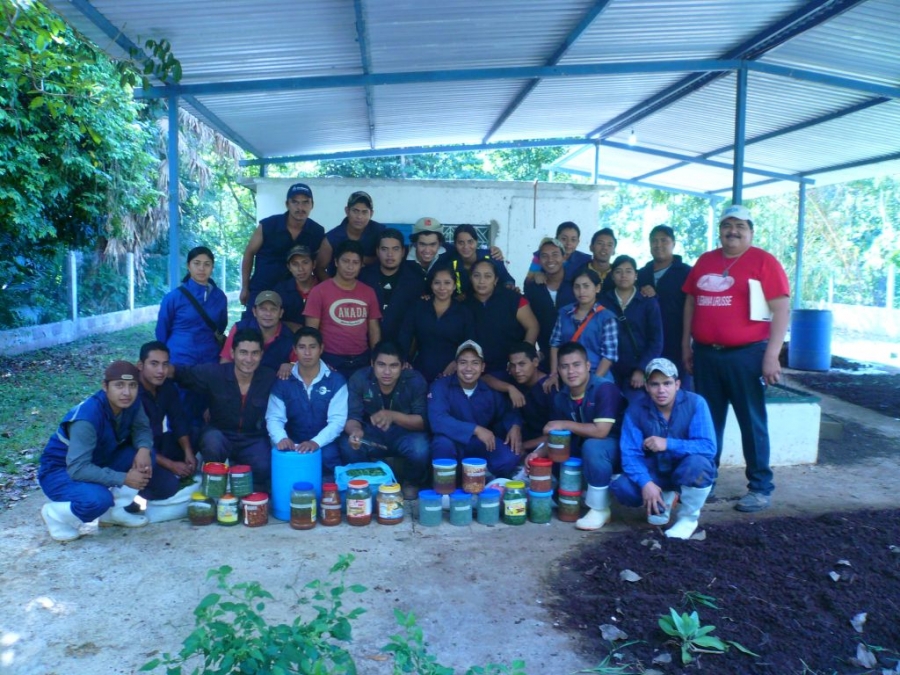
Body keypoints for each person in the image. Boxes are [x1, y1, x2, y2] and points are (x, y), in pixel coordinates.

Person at [682, 204, 790, 513]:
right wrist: (686, 346)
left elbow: (781, 309)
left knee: (751, 421)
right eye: (728, 225)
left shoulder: (763, 262)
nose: (733, 231)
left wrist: (772, 355)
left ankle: (759, 487)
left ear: (751, 232)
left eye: (740, 226)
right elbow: (691, 303)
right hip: (706, 355)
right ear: (720, 229)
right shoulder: (705, 261)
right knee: (707, 423)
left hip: (747, 355)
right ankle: (706, 481)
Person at [38, 361, 159, 541]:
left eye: (132, 385)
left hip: (97, 459)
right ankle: (54, 514)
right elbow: (78, 469)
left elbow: (142, 428)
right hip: (60, 471)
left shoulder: (132, 403)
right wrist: (124, 478)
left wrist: (143, 449)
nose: (126, 392)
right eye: (119, 385)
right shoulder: (87, 417)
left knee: (147, 457)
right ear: (105, 386)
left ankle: (114, 513)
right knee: (98, 500)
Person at [610, 358, 717, 539]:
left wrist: (668, 443)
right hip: (656, 472)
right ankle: (664, 498)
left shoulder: (696, 403)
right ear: (646, 386)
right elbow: (630, 454)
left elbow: (708, 447)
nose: (661, 390)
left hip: (684, 471)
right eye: (655, 384)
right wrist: (646, 483)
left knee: (698, 464)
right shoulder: (636, 410)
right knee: (622, 487)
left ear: (677, 384)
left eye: (667, 383)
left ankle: (688, 519)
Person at [172, 328, 277, 492]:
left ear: (261, 354)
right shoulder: (215, 373)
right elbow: (182, 373)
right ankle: (215, 481)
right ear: (232, 353)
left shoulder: (270, 377)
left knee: (264, 466)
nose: (249, 359)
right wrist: (155, 369)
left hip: (252, 437)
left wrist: (288, 366)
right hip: (220, 433)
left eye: (254, 353)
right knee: (212, 442)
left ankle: (241, 484)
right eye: (243, 352)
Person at [543, 342, 624, 531]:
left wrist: (564, 423)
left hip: (616, 450)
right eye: (564, 366)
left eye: (576, 365)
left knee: (592, 446)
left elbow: (601, 431)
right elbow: (558, 434)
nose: (571, 371)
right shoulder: (561, 397)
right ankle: (582, 491)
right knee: (557, 448)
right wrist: (537, 453)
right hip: (586, 449)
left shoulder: (604, 388)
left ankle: (600, 508)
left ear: (588, 366)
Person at [339, 341, 430, 499]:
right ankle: (370, 482)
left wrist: (392, 415)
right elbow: (352, 417)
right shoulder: (360, 379)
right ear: (372, 363)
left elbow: (423, 422)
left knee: (421, 447)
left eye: (394, 366)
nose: (387, 371)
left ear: (403, 366)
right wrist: (355, 431)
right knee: (347, 445)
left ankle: (410, 481)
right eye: (381, 365)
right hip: (371, 433)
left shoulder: (415, 380)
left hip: (404, 434)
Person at [428, 340, 524, 479]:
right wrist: (475, 429)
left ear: (483, 367)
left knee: (509, 457)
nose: (468, 368)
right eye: (463, 362)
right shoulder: (440, 386)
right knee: (442, 445)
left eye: (475, 363)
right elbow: (437, 419)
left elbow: (507, 412)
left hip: (479, 444)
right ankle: (447, 488)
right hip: (451, 441)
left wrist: (515, 426)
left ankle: (477, 478)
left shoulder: (489, 389)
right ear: (456, 365)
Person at [266, 327, 348, 475]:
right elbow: (274, 417)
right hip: (292, 441)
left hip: (324, 442)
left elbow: (337, 421)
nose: (307, 353)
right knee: (282, 463)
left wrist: (316, 442)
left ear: (321, 348)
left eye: (313, 347)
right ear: (294, 350)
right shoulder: (283, 381)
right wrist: (282, 438)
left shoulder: (336, 381)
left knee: (329, 461)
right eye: (302, 347)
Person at [303, 239, 382, 380]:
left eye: (355, 262)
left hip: (362, 360)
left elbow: (373, 328)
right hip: (329, 360)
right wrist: (318, 361)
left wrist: (376, 358)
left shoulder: (369, 292)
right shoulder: (319, 291)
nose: (350, 267)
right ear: (336, 262)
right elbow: (311, 331)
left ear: (361, 265)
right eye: (345, 261)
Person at [240, 182, 325, 312]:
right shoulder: (268, 225)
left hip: (294, 294)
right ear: (287, 204)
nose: (300, 207)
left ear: (312, 205)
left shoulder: (317, 231)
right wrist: (245, 287)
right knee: (253, 329)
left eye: (305, 202)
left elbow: (319, 264)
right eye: (295, 202)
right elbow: (249, 252)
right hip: (263, 287)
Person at [600, 255, 664, 404]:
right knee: (608, 410)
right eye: (618, 271)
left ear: (636, 275)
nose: (623, 275)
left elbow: (656, 341)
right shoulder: (603, 301)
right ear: (612, 276)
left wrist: (642, 370)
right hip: (608, 370)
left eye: (628, 271)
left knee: (635, 409)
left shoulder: (648, 302)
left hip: (637, 371)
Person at [136, 341, 195, 498]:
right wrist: (171, 465)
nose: (161, 371)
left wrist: (188, 452)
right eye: (154, 364)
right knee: (168, 486)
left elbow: (178, 420)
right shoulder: (132, 393)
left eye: (165, 364)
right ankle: (131, 496)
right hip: (136, 453)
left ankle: (172, 469)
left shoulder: (166, 386)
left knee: (197, 435)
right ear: (140, 365)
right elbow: (134, 442)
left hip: (157, 443)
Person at [638, 225, 693, 390]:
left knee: (678, 392)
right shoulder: (640, 274)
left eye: (664, 240)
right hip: (647, 345)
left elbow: (693, 309)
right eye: (654, 241)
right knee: (650, 391)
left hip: (677, 343)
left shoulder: (686, 272)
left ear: (673, 243)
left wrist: (687, 344)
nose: (658, 244)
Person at [398, 266, 476, 382]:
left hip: (452, 372)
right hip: (420, 369)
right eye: (437, 283)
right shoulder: (418, 307)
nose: (442, 288)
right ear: (431, 285)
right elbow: (405, 336)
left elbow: (470, 342)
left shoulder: (463, 312)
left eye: (447, 283)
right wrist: (403, 360)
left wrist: (457, 363)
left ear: (454, 286)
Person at [155, 246, 228, 369]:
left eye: (207, 264)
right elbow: (162, 331)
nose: (201, 268)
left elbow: (221, 326)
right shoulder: (174, 297)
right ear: (188, 266)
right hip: (179, 360)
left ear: (212, 268)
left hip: (210, 359)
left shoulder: (220, 297)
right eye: (196, 263)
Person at [464, 259, 539, 375]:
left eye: (488, 276)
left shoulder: (513, 298)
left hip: (511, 369)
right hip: (477, 371)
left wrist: (523, 357)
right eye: (476, 276)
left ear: (496, 279)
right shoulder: (464, 303)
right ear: (470, 278)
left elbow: (533, 327)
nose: (481, 281)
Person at [547, 268, 617, 390]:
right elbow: (555, 344)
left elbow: (609, 355)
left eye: (586, 286)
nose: (581, 291)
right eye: (577, 287)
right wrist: (554, 374)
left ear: (597, 288)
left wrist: (593, 383)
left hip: (598, 377)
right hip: (570, 375)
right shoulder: (564, 313)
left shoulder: (607, 317)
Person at [358, 228, 423, 343]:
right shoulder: (363, 277)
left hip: (401, 347)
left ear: (403, 252)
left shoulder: (415, 280)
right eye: (384, 249)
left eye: (395, 249)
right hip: (365, 347)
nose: (390, 254)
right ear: (377, 251)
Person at [220, 291, 296, 378]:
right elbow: (225, 362)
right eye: (263, 309)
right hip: (239, 383)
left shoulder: (289, 337)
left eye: (273, 309)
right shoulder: (239, 328)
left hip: (273, 387)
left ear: (281, 313)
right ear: (254, 311)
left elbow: (301, 366)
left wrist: (291, 366)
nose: (268, 314)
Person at [524, 237, 577, 358]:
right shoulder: (533, 288)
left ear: (564, 257)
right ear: (540, 260)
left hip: (576, 354)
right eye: (544, 256)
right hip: (546, 354)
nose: (550, 260)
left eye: (555, 254)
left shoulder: (575, 284)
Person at [316, 191, 384, 280]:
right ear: (347, 211)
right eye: (355, 211)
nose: (359, 217)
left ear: (371, 214)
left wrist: (365, 259)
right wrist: (333, 289)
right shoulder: (331, 238)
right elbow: (319, 268)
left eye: (364, 212)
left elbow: (390, 258)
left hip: (373, 287)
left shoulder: (381, 233)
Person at [500, 342, 553, 453]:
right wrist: (509, 388)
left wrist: (524, 445)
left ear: (535, 362)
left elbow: (559, 434)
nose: (517, 370)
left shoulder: (549, 387)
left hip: (550, 444)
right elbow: (486, 378)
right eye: (513, 366)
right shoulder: (516, 381)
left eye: (522, 364)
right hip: (526, 435)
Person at [441, 224, 515, 294]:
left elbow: (507, 279)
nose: (466, 247)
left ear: (476, 242)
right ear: (455, 244)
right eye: (461, 243)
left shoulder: (492, 257)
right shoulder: (450, 264)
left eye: (470, 242)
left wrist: (508, 286)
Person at [524, 222, 592, 284]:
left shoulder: (585, 260)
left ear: (578, 242)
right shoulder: (541, 256)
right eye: (564, 239)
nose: (568, 243)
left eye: (573, 240)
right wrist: (535, 275)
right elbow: (528, 280)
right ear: (556, 239)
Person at [273, 244, 318, 331]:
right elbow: (271, 317)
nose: (300, 269)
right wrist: (289, 325)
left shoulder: (323, 288)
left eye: (305, 262)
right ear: (289, 267)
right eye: (295, 264)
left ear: (314, 264)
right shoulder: (281, 290)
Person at [404, 216, 448, 285]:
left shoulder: (449, 256)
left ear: (440, 244)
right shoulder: (402, 259)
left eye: (432, 244)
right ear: (415, 244)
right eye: (422, 244)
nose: (427, 250)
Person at [586, 228, 617, 293]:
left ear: (614, 251)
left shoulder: (618, 274)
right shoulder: (581, 272)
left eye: (609, 245)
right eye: (600, 243)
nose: (605, 248)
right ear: (591, 247)